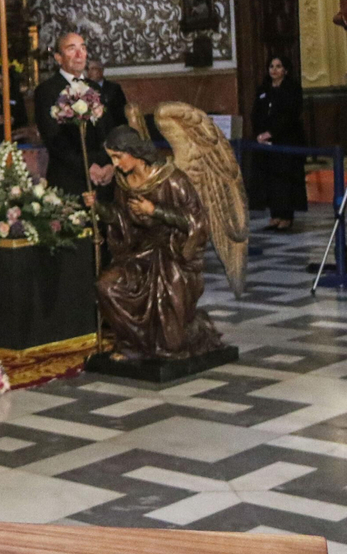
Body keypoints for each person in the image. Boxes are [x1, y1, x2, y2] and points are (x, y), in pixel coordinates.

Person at [86, 125, 223, 362]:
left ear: (134, 152)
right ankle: (133, 343)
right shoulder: (124, 182)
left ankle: (173, 339)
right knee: (106, 286)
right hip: (139, 254)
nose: (116, 164)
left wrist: (155, 210)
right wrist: (97, 207)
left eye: (118, 157)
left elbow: (196, 221)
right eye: (112, 158)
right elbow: (122, 219)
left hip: (173, 256)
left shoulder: (172, 180)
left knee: (171, 338)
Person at [33, 32, 115, 197]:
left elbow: (109, 131)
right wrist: (88, 166)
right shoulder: (47, 91)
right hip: (70, 180)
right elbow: (54, 140)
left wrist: (110, 164)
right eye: (72, 49)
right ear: (58, 57)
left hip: (102, 180)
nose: (79, 54)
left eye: (82, 48)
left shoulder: (96, 88)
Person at [249, 54, 306, 233]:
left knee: (285, 179)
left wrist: (272, 133)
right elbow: (256, 112)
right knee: (270, 179)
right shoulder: (263, 89)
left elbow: (290, 115)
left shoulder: (292, 89)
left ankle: (286, 216)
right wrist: (259, 133)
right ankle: (274, 215)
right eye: (272, 66)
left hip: (286, 140)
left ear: (286, 70)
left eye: (278, 66)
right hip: (265, 144)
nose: (274, 70)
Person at [87, 59, 130, 129]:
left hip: (113, 127)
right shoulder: (84, 89)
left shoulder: (114, 88)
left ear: (101, 71)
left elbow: (121, 111)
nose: (90, 72)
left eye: (93, 69)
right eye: (88, 69)